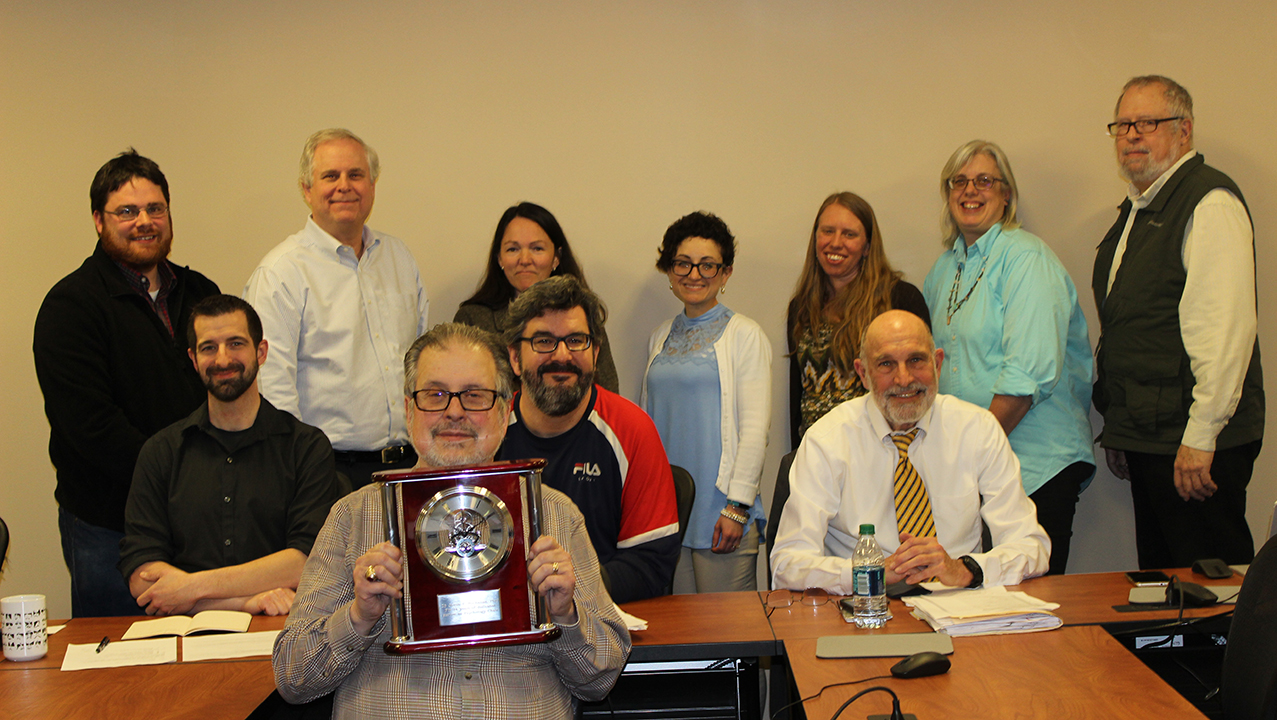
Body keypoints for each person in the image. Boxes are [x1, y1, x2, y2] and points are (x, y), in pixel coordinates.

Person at [273, 323, 629, 718]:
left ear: (504, 409)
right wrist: (359, 616)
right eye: (435, 395)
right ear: (409, 409)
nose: (455, 411)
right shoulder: (353, 516)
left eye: (475, 396)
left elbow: (601, 680)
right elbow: (293, 678)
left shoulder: (553, 514)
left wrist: (565, 615)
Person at [34, 149, 220, 617]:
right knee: (118, 671)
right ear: (99, 220)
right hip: (109, 528)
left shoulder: (202, 294)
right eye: (127, 211)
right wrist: (180, 477)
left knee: (207, 664)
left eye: (155, 209)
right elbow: (91, 428)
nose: (144, 221)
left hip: (202, 521)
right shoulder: (70, 307)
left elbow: (228, 394)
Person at [1093, 76, 1264, 568]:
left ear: (1184, 131)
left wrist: (1201, 436)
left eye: (1147, 123)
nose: (1131, 135)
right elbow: (1133, 324)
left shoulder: (1209, 203)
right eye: (1123, 124)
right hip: (1152, 435)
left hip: (1194, 443)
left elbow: (1224, 332)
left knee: (1211, 590)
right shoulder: (1139, 208)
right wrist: (1122, 430)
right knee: (1166, 593)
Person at [771, 310, 1049, 592]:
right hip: (866, 608)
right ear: (863, 374)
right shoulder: (827, 440)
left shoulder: (978, 429)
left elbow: (1032, 546)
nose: (904, 379)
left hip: (960, 609)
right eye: (886, 364)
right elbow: (787, 564)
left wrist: (967, 569)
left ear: (937, 364)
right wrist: (868, 572)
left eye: (916, 360)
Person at [922, 140, 1094, 575]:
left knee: (1030, 605)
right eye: (958, 181)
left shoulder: (1027, 260)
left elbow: (1025, 378)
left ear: (1007, 195)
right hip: (980, 469)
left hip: (1036, 465)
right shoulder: (944, 271)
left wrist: (970, 460)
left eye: (984, 180)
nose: (970, 190)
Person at [119, 295, 343, 616]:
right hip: (187, 632)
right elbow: (142, 576)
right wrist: (244, 602)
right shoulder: (161, 452)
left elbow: (304, 561)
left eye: (235, 344)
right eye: (209, 347)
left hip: (280, 628)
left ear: (261, 352)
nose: (222, 359)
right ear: (193, 360)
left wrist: (190, 588)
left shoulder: (306, 448)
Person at [244, 128, 429, 489]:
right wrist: (302, 474)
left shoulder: (398, 258)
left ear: (372, 185)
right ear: (306, 189)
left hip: (409, 465)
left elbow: (422, 359)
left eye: (356, 175)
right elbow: (273, 387)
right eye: (330, 176)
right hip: (328, 472)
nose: (344, 186)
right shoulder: (281, 273)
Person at [497, 276, 680, 603]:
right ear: (514, 357)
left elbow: (653, 561)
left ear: (595, 353)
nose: (562, 355)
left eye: (576, 340)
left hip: (600, 621)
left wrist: (572, 588)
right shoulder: (487, 432)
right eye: (543, 341)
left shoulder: (632, 429)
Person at [640, 211, 771, 593]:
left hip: (721, 511)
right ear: (668, 269)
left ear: (725, 273)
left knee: (728, 634)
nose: (694, 274)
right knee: (678, 636)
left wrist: (737, 507)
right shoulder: (659, 336)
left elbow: (754, 430)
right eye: (683, 263)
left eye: (707, 265)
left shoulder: (745, 335)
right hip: (668, 512)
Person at [787, 192, 931, 446]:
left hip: (879, 452)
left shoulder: (900, 300)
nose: (835, 242)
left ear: (867, 246)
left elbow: (920, 384)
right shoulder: (802, 306)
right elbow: (799, 397)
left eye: (849, 234)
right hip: (816, 453)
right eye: (827, 231)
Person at [455, 202, 620, 393]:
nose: (524, 260)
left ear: (556, 258)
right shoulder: (472, 320)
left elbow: (607, 393)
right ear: (499, 258)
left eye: (537, 249)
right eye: (513, 249)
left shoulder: (583, 315)